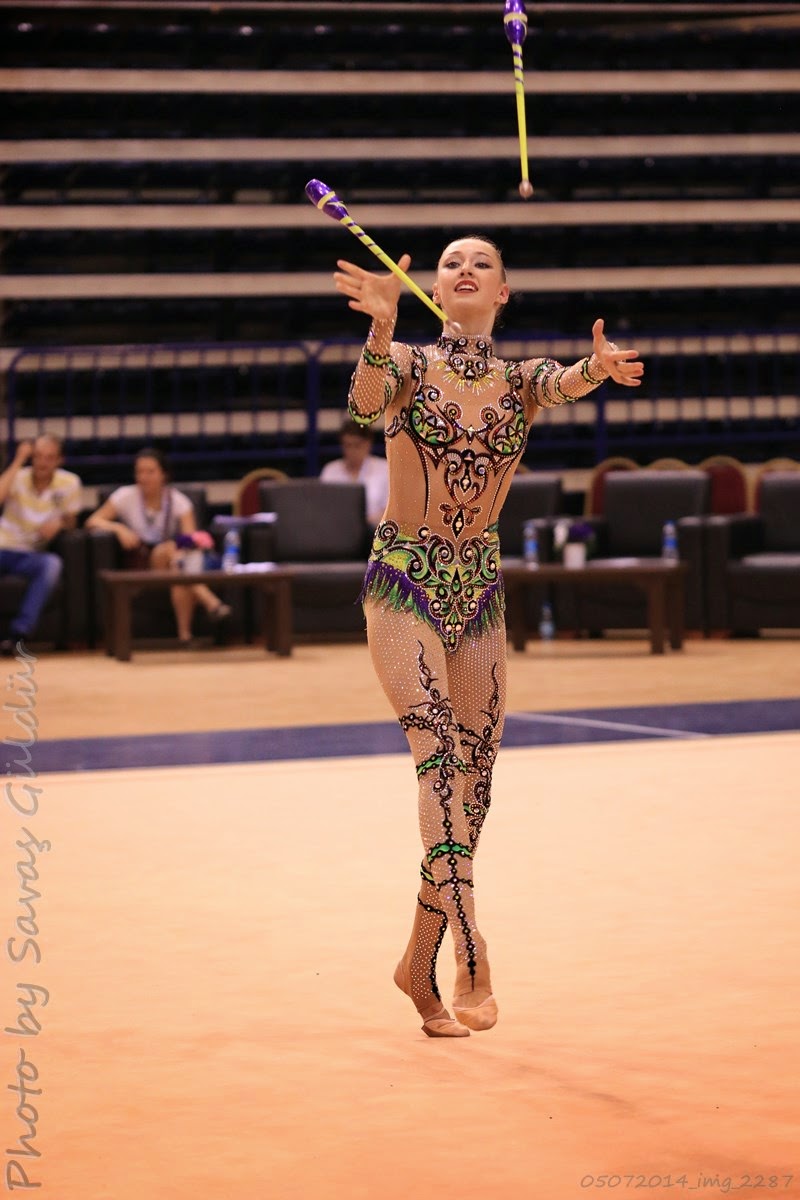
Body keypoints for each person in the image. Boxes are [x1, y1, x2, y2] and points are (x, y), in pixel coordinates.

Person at [333, 235, 643, 1037]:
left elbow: (562, 382)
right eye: (450, 263)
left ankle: (416, 962)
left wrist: (596, 368)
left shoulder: (519, 380)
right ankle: (471, 950)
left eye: (480, 263)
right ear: (435, 290)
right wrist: (380, 328)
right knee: (439, 758)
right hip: (404, 579)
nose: (464, 269)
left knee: (475, 784)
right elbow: (363, 406)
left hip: (478, 591)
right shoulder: (407, 364)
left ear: (502, 292)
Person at [86, 447, 230, 646]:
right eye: (139, 472)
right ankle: (208, 600)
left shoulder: (179, 501)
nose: (144, 477)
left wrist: (177, 552)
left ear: (164, 475)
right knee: (173, 559)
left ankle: (184, 637)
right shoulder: (125, 496)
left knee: (176, 565)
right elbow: (92, 521)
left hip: (172, 562)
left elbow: (189, 539)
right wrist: (118, 528)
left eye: (150, 472)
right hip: (141, 562)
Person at [0, 434, 83, 655]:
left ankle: (19, 634)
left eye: (49, 457)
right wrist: (18, 460)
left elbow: (73, 521)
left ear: (59, 460)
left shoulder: (70, 482)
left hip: (32, 554)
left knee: (52, 565)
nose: (42, 463)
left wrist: (61, 522)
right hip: (3, 546)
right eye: (37, 456)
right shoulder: (17, 476)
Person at [320, 417, 390, 527]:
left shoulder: (384, 470)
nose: (352, 451)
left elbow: (392, 510)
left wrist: (364, 524)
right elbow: (322, 509)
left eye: (357, 445)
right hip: (337, 530)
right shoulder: (330, 471)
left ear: (368, 444)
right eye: (348, 445)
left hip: (375, 530)